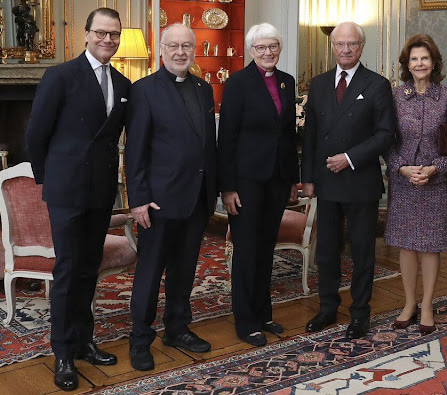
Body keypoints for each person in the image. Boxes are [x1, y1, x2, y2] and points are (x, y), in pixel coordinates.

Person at [24, 7, 130, 391]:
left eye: (114, 34)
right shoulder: (60, 76)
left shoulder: (122, 83)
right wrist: (49, 181)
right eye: (101, 33)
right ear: (85, 34)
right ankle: (63, 353)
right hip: (67, 192)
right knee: (68, 271)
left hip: (101, 193)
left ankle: (85, 341)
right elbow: (36, 135)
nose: (108, 40)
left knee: (89, 268)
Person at [125, 23, 217, 371]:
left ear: (194, 50)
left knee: (184, 271)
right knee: (150, 273)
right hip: (159, 202)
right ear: (161, 49)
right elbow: (135, 150)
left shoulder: (204, 89)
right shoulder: (143, 90)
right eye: (173, 46)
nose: (181, 52)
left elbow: (208, 146)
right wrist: (138, 199)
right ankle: (140, 339)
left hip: (196, 199)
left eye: (187, 46)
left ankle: (177, 328)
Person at [301, 21, 396, 339]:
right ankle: (327, 308)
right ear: (332, 47)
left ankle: (360, 314)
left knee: (361, 252)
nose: (345, 49)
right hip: (326, 182)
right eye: (340, 44)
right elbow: (311, 133)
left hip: (361, 181)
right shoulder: (319, 83)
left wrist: (350, 158)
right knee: (326, 251)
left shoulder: (377, 84)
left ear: (361, 47)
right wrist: (308, 178)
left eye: (351, 44)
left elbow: (386, 134)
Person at [217, 23, 299, 347]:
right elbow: (227, 138)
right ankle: (245, 320)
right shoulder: (237, 83)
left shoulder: (287, 81)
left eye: (273, 46)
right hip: (246, 182)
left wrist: (292, 179)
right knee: (247, 250)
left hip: (277, 180)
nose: (268, 52)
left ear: (279, 48)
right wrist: (227, 187)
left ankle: (264, 314)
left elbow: (289, 135)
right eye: (261, 47)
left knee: (267, 249)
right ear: (251, 50)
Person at [384, 34, 447, 335]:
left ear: (434, 63)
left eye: (425, 58)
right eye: (414, 59)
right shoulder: (395, 96)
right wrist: (402, 168)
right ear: (407, 65)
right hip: (404, 181)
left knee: (430, 246)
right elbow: (387, 142)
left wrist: (436, 168)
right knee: (407, 246)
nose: (419, 63)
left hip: (435, 184)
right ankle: (409, 304)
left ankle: (428, 305)